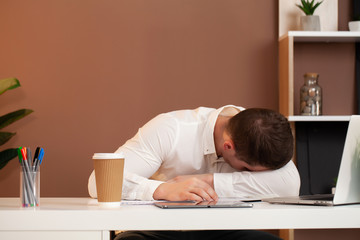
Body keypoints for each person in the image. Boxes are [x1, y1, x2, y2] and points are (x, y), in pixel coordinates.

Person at [88, 105, 300, 240]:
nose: (247, 174)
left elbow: (290, 184)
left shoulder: (262, 135)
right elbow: (98, 183)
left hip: (222, 232)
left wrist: (207, 180)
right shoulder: (171, 129)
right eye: (246, 170)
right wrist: (163, 189)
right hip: (156, 231)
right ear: (228, 147)